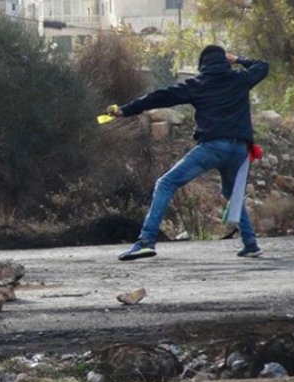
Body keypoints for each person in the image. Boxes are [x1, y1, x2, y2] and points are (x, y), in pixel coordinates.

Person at [108, 45, 269, 261]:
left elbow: (159, 97)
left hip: (213, 147)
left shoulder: (197, 84)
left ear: (202, 65)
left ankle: (145, 241)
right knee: (232, 193)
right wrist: (237, 58)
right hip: (240, 150)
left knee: (166, 183)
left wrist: (125, 110)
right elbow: (263, 66)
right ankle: (250, 243)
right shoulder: (240, 79)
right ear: (224, 61)